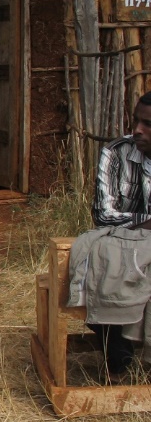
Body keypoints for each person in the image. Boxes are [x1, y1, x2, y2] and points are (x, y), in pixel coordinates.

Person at [80, 91, 151, 377]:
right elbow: (104, 215)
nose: (137, 129)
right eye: (136, 120)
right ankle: (120, 365)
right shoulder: (115, 152)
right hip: (123, 246)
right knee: (100, 266)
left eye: (147, 124)